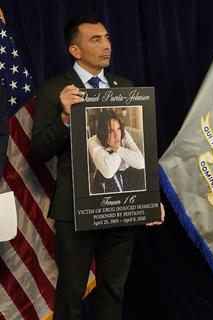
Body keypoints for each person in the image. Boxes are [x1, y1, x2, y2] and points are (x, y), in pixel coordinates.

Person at [30, 13, 162, 319]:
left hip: (122, 206)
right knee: (70, 293)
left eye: (107, 38)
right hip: (76, 209)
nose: (107, 45)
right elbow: (39, 150)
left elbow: (140, 149)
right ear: (75, 51)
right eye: (96, 39)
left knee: (113, 291)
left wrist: (150, 195)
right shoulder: (54, 89)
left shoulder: (124, 86)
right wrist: (64, 118)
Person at [89, 109, 145, 194]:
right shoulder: (94, 142)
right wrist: (119, 152)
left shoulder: (124, 134)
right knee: (112, 176)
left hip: (124, 174)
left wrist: (117, 149)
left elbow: (141, 163)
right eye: (110, 131)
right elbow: (108, 172)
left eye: (118, 128)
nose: (116, 135)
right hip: (104, 179)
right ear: (102, 132)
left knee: (143, 173)